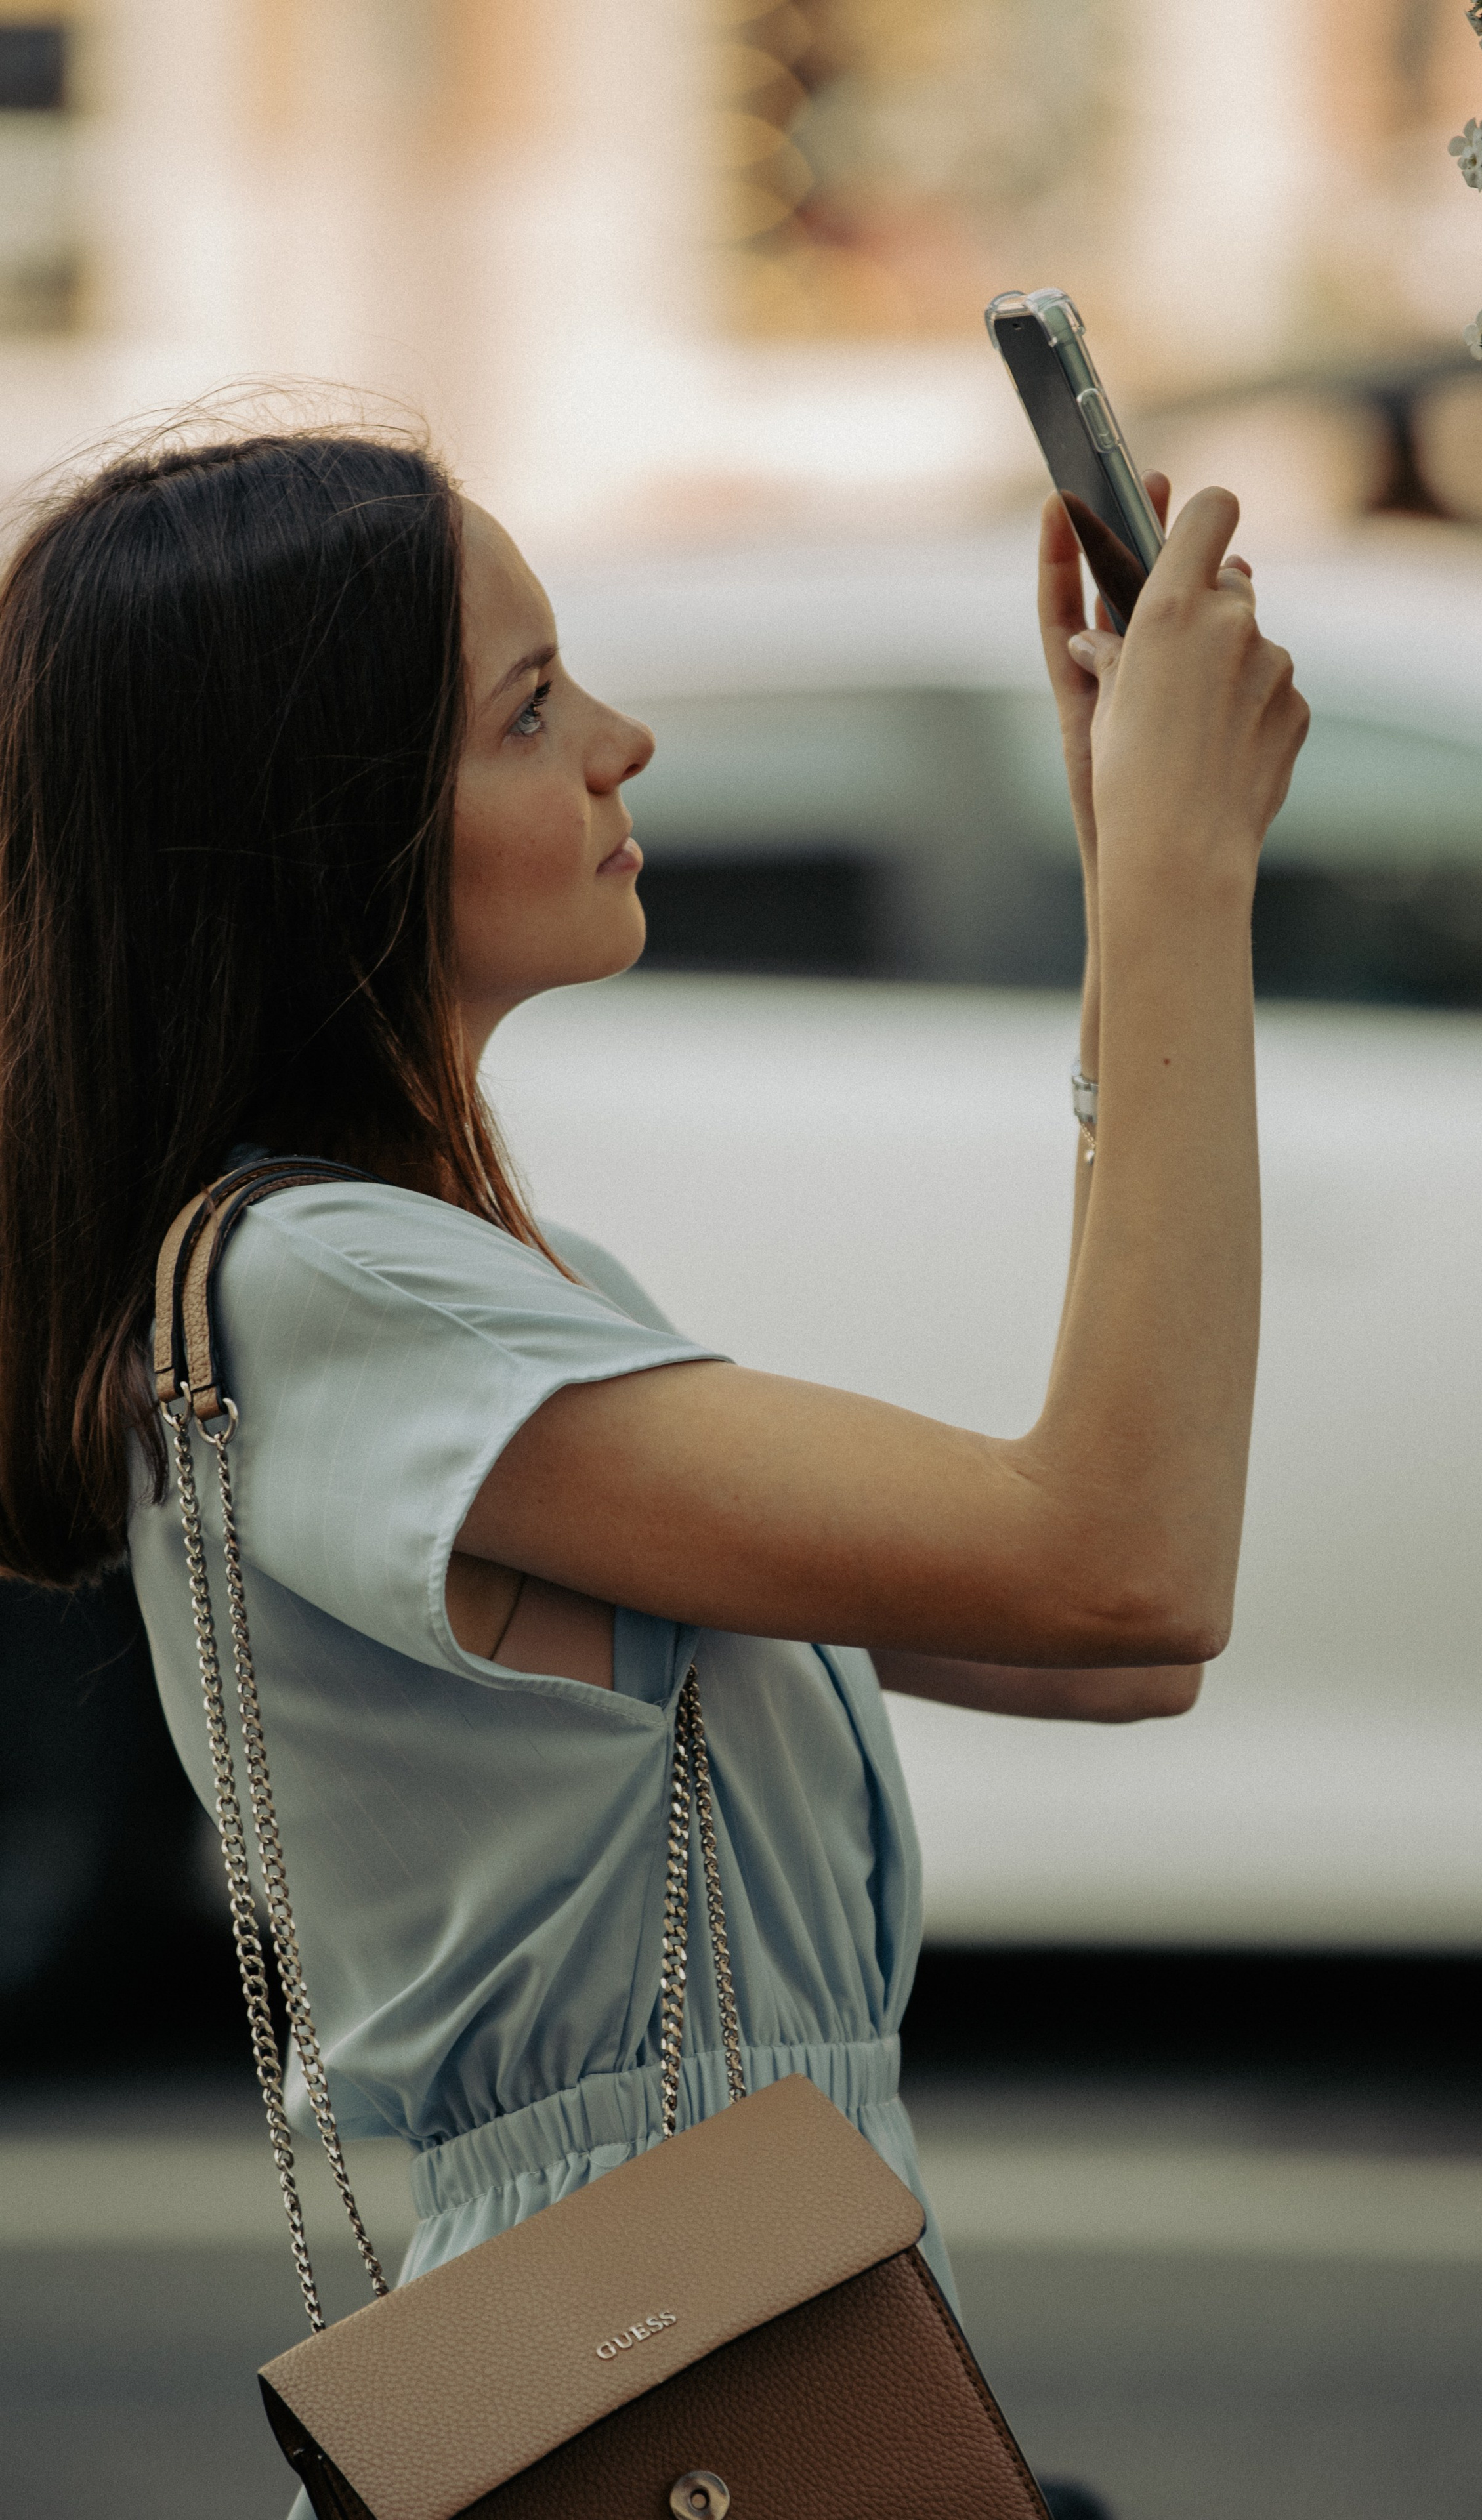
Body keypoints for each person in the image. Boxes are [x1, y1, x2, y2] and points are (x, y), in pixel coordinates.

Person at [0, 427, 1306, 2514]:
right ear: (317, 832)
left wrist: (1140, 902)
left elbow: (1112, 1651)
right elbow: (1123, 1563)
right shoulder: (320, 1289)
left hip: (759, 2320)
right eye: (531, 709)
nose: (626, 743)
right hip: (670, 2376)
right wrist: (1174, 879)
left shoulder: (497, 1287)